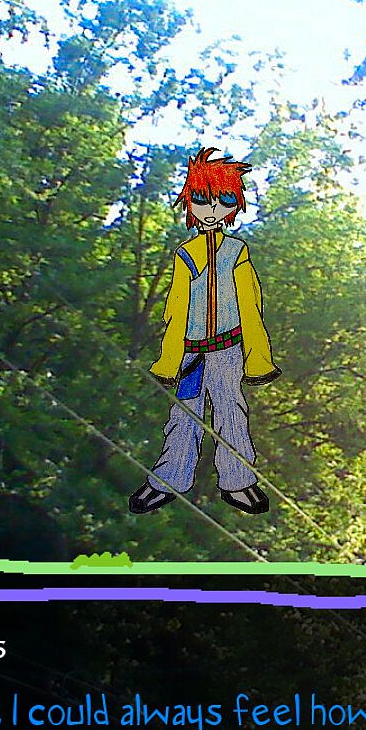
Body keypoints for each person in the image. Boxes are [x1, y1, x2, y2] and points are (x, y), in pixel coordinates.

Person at [128, 148, 280, 516]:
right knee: (184, 416)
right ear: (190, 202)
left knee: (231, 413)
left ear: (233, 206)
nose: (211, 209)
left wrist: (257, 359)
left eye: (222, 200)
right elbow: (176, 310)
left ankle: (239, 482)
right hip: (192, 354)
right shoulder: (186, 254)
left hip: (227, 351)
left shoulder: (237, 252)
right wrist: (169, 361)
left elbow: (250, 306)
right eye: (201, 199)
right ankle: (167, 481)